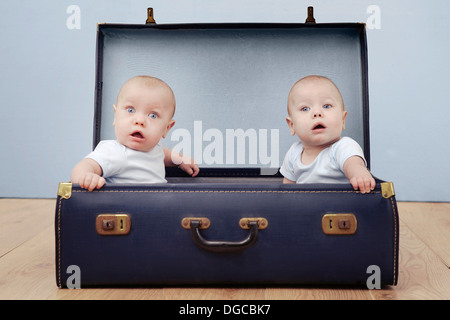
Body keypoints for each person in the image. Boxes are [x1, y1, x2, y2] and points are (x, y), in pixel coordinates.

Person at [71, 75, 199, 191]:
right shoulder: (115, 151)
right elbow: (84, 166)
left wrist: (180, 159)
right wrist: (86, 177)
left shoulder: (155, 148)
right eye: (130, 110)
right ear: (115, 116)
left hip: (157, 207)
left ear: (167, 128)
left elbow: (164, 155)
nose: (139, 121)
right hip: (129, 210)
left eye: (153, 115)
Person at [280, 75, 375, 193]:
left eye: (326, 106)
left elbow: (353, 165)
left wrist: (360, 175)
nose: (317, 113)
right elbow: (287, 191)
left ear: (343, 120)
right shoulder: (293, 153)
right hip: (305, 209)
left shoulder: (343, 147)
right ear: (292, 125)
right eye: (305, 108)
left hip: (339, 209)